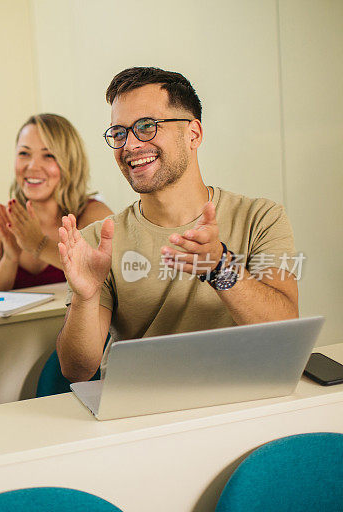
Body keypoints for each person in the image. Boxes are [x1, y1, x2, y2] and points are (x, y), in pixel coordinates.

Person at [56, 67, 299, 382]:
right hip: (141, 409)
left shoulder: (262, 218)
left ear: (193, 134)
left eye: (147, 126)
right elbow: (77, 369)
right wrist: (85, 297)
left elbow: (285, 333)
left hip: (243, 400)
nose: (129, 145)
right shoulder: (98, 240)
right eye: (119, 132)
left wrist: (221, 269)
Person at [0, 114, 111, 290]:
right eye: (24, 153)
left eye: (48, 155)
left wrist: (38, 244)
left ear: (70, 163)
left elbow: (108, 283)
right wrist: (10, 258)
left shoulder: (94, 216)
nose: (32, 166)